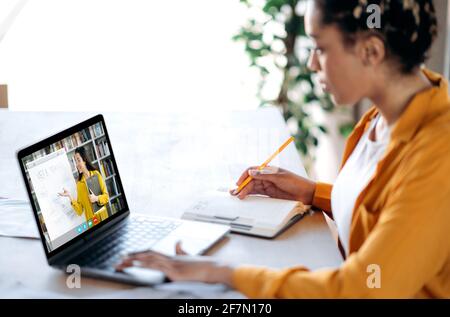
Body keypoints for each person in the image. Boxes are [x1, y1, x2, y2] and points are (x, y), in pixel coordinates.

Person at [116, 0, 450, 298]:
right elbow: (389, 208)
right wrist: (311, 192)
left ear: (371, 52)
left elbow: (360, 289)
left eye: (319, 47)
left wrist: (223, 272)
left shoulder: (438, 156)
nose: (312, 64)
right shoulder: (387, 114)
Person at [59, 147, 109, 222]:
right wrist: (70, 196)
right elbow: (79, 211)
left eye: (78, 160)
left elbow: (106, 197)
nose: (77, 164)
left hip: (103, 218)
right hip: (92, 224)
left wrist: (96, 198)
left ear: (84, 160)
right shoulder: (79, 184)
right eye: (76, 161)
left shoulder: (96, 174)